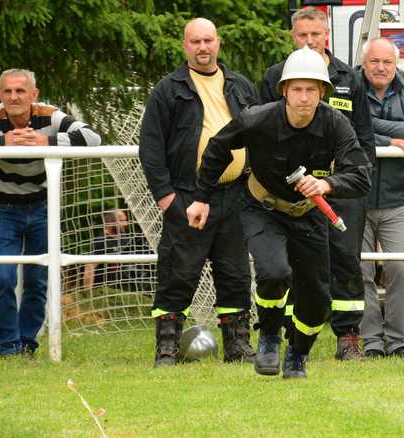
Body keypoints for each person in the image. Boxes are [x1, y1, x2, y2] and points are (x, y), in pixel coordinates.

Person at [186, 46, 372, 378]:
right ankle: (269, 334)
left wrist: (327, 185)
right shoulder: (258, 118)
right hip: (262, 207)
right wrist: (202, 197)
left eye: (311, 89)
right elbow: (217, 147)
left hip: (310, 213)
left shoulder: (336, 124)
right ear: (284, 90)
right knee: (273, 272)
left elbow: (361, 175)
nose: (303, 97)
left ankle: (297, 355)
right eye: (297, 89)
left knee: (317, 300)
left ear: (322, 93)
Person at [139, 18, 258, 367]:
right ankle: (167, 348)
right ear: (184, 46)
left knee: (236, 274)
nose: (203, 48)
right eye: (195, 42)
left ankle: (237, 346)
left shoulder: (240, 86)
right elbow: (151, 146)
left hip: (234, 196)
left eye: (208, 40)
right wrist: (166, 197)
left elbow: (259, 134)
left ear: (218, 43)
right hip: (187, 197)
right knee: (178, 273)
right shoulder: (168, 89)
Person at [260, 6, 375, 360]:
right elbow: (262, 133)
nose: (309, 41)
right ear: (292, 37)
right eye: (302, 35)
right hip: (293, 192)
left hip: (339, 189)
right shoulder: (274, 77)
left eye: (315, 35)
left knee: (346, 261)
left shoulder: (349, 77)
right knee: (298, 264)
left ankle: (348, 336)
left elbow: (364, 139)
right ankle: (295, 339)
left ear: (327, 36)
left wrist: (351, 182)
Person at [0, 68, 101, 358]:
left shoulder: (51, 115)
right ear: (0, 95)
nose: (14, 97)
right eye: (8, 91)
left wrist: (46, 143)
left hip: (42, 208)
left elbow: (93, 138)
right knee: (4, 277)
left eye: (20, 91)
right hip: (2, 209)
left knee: (37, 278)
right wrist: (5, 143)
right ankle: (8, 348)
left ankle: (27, 344)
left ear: (34, 94)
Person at [357, 37, 404, 358]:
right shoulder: (349, 85)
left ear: (395, 63)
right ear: (364, 62)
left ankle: (397, 342)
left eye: (388, 62)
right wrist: (390, 137)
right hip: (356, 196)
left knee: (402, 269)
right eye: (375, 62)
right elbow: (348, 126)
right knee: (361, 271)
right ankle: (371, 341)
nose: (382, 68)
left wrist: (373, 130)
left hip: (397, 199)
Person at [82, 209, 153, 292]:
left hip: (129, 289)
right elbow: (89, 267)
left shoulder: (127, 239)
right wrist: (88, 294)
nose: (126, 224)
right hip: (107, 291)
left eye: (126, 220)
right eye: (122, 221)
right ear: (111, 222)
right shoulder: (101, 242)